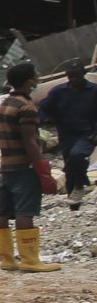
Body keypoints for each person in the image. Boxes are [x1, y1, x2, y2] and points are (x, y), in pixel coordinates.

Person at [0, 64, 61, 272]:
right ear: (29, 81)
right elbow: (30, 141)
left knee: (3, 212)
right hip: (24, 166)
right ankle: (30, 260)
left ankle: (6, 259)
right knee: (25, 212)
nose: (38, 79)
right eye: (35, 76)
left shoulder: (5, 103)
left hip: (7, 166)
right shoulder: (26, 107)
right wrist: (40, 167)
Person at [39, 62, 97, 211]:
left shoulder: (93, 91)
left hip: (87, 134)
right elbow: (44, 107)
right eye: (70, 77)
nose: (73, 80)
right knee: (71, 167)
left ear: (83, 75)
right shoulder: (59, 92)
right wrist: (41, 120)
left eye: (76, 77)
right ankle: (74, 205)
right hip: (66, 135)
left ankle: (81, 185)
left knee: (77, 156)